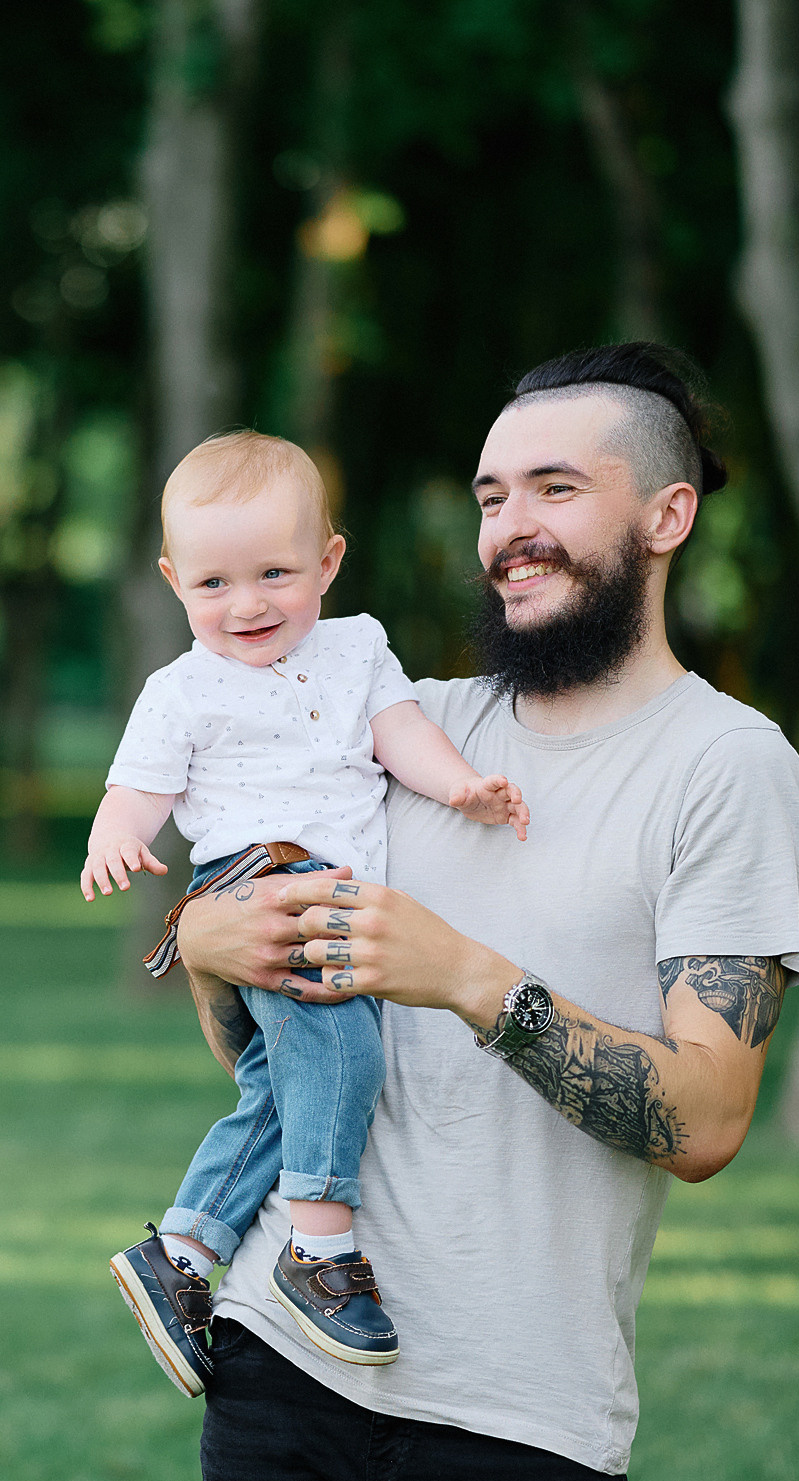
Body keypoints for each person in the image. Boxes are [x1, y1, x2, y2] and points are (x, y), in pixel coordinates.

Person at [166, 345, 799, 1481]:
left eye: (554, 489)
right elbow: (264, 1047)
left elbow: (706, 1117)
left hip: (525, 1426)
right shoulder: (405, 727)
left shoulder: (728, 769)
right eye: (490, 496)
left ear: (667, 515)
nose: (509, 529)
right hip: (284, 1377)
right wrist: (209, 946)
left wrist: (471, 977)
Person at [86, 430, 527, 1394]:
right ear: (173, 581)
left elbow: (400, 732)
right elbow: (138, 786)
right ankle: (318, 1248)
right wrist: (111, 836)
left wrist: (459, 788)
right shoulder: (182, 689)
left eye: (275, 573)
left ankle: (185, 1251)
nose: (245, 605)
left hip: (333, 883)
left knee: (287, 1092)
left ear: (328, 561)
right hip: (260, 878)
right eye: (212, 585)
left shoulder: (357, 648)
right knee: (345, 1055)